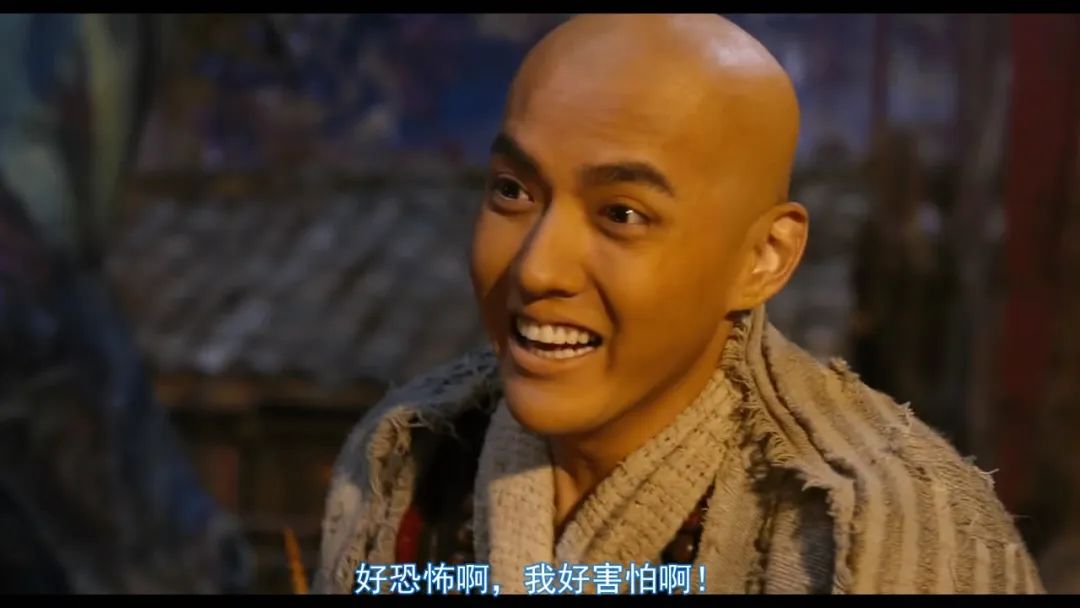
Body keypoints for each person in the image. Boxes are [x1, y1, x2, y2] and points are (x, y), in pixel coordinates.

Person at [315, 14, 1044, 594]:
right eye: (513, 190)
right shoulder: (405, 459)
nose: (536, 269)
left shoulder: (880, 533)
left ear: (764, 258)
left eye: (622, 214)